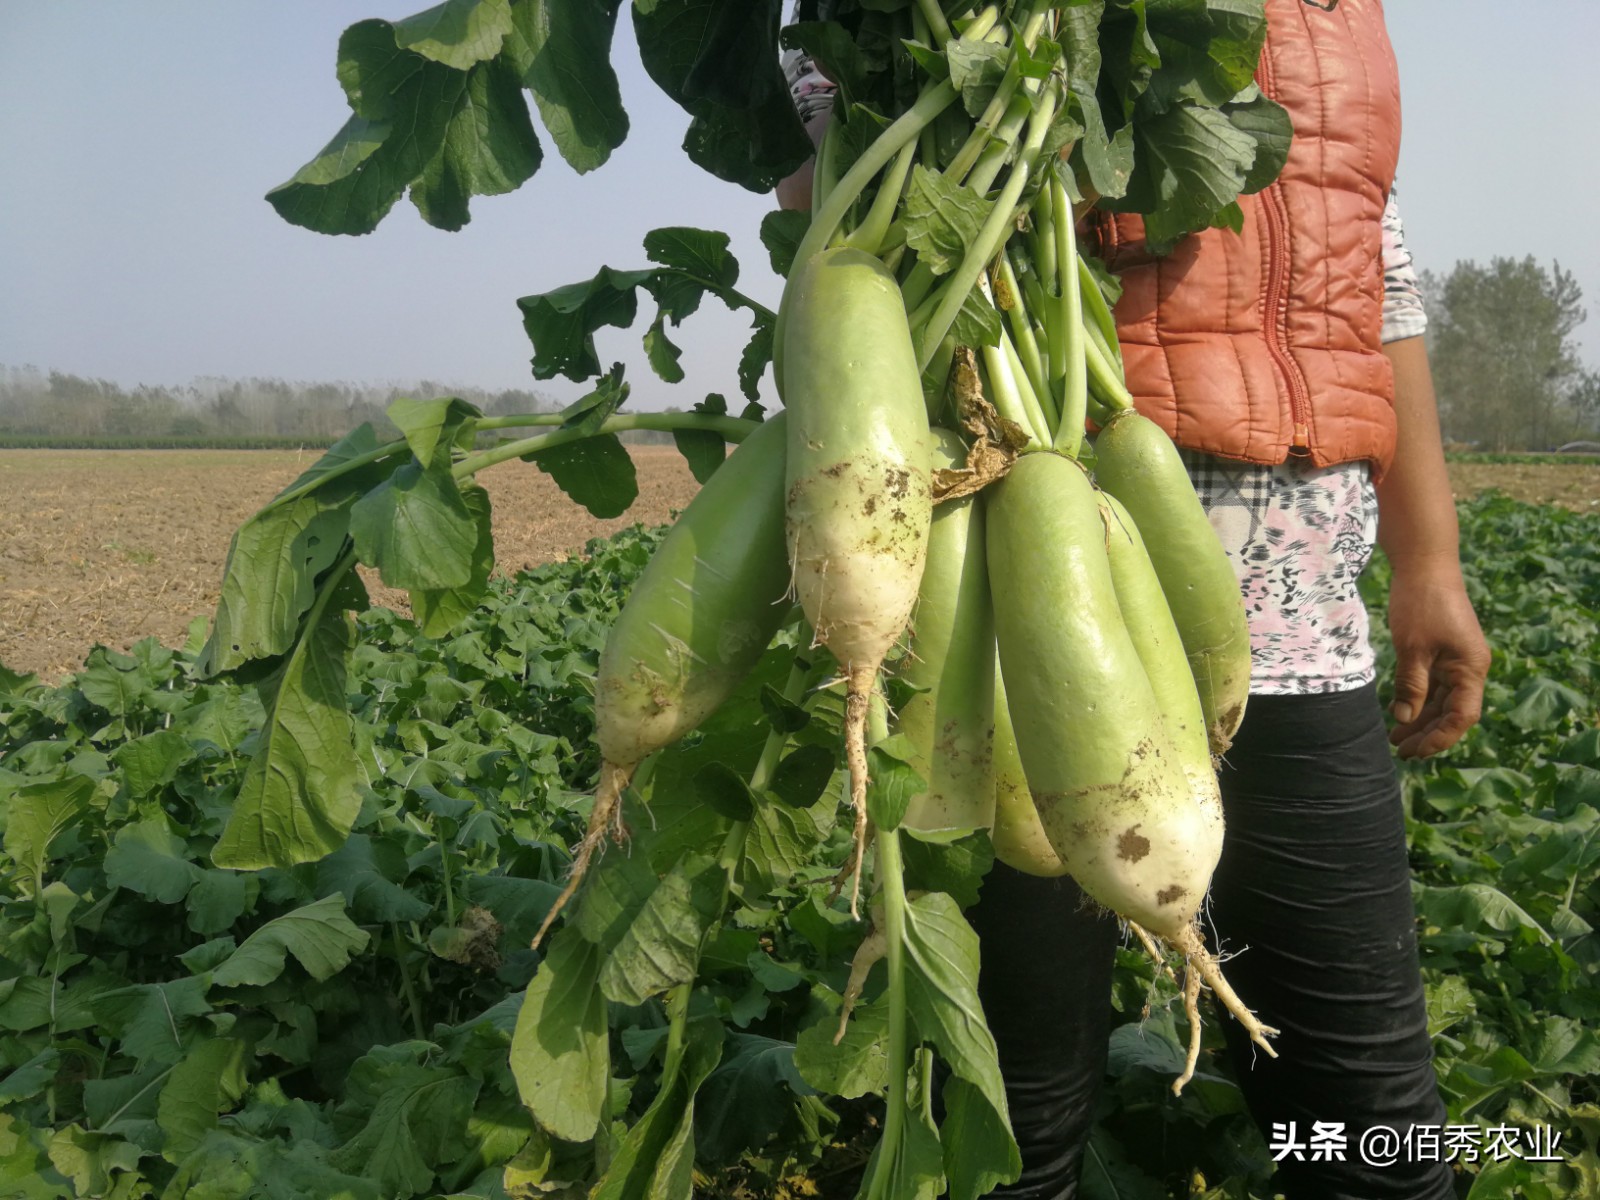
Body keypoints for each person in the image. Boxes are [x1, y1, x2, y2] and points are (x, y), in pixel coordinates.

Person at [778, 1, 1491, 1196]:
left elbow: (1379, 270)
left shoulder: (1338, 13)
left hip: (1296, 623)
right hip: (1001, 624)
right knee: (1018, 1132)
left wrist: (1430, 560)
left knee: (1379, 1125)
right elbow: (833, 183)